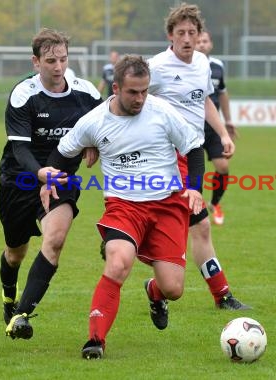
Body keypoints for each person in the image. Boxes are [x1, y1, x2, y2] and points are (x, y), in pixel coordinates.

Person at [42, 55, 205, 359]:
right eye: (133, 92)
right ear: (116, 88)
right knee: (118, 262)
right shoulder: (94, 121)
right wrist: (49, 178)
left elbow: (194, 148)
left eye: (145, 91)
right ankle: (95, 340)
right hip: (123, 207)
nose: (140, 98)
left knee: (173, 288)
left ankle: (154, 292)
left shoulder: (161, 111)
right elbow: (62, 154)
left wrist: (194, 188)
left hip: (167, 205)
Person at [0, 28, 102, 340]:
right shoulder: (23, 94)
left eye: (63, 60)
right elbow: (19, 149)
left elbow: (105, 127)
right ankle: (8, 297)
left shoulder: (87, 94)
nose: (58, 67)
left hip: (62, 178)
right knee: (15, 253)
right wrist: (41, 173)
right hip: (20, 177)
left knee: (54, 240)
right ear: (36, 62)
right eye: (50, 61)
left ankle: (21, 315)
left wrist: (95, 144)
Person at [147, 3, 250, 310]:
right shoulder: (158, 66)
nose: (188, 39)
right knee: (195, 225)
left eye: (193, 32)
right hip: (165, 157)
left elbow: (205, 101)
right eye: (181, 33)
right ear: (170, 35)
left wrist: (222, 133)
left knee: (195, 226)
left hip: (192, 155)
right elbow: (133, 98)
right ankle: (217, 294)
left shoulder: (203, 63)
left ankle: (164, 288)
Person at [196, 29, 239, 225]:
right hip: (192, 124)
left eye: (205, 41)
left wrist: (228, 122)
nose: (202, 44)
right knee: (189, 172)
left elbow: (222, 94)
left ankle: (215, 204)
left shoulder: (218, 66)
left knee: (223, 167)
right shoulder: (188, 66)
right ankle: (192, 208)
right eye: (199, 41)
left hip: (213, 125)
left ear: (211, 44)